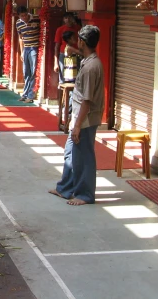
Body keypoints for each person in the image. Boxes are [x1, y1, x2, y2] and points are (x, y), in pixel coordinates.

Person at [50, 25, 104, 206]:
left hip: (86, 119)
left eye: (78, 39)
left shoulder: (91, 68)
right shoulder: (90, 61)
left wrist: (78, 125)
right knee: (70, 154)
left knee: (84, 157)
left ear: (82, 41)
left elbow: (87, 100)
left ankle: (85, 195)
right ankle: (65, 188)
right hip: (80, 117)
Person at [16, 6, 40, 103]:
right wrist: (22, 52)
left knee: (33, 72)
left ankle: (30, 94)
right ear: (19, 16)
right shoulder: (18, 23)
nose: (24, 17)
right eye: (22, 16)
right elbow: (20, 38)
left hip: (34, 47)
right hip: (26, 48)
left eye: (25, 15)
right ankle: (25, 93)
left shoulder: (36, 19)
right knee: (26, 72)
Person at [54, 12, 80, 84]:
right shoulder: (60, 29)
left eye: (70, 18)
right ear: (63, 20)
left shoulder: (78, 28)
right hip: (63, 55)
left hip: (75, 55)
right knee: (63, 78)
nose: (68, 20)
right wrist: (55, 63)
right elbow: (57, 46)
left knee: (75, 76)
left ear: (73, 19)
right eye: (66, 18)